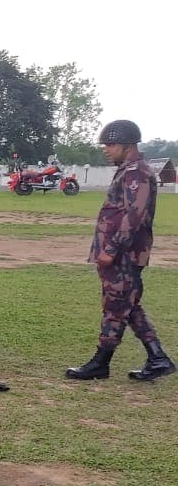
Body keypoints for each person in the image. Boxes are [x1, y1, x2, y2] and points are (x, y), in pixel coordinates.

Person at [66, 120, 174, 382]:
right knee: (129, 304)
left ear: (127, 145)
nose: (106, 149)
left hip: (124, 253)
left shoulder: (136, 173)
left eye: (111, 144)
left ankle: (100, 363)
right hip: (120, 251)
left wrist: (111, 249)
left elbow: (133, 216)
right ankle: (158, 358)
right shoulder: (128, 171)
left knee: (115, 306)